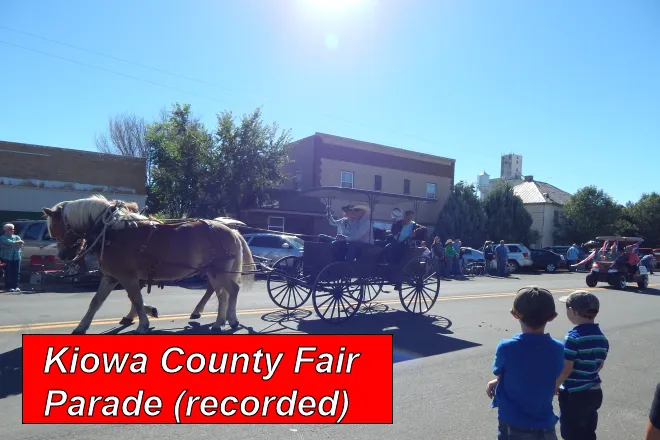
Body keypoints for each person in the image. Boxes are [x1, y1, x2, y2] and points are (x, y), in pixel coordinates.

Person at [486, 285, 564, 440]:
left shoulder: (506, 347)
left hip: (513, 424)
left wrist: (495, 382)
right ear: (553, 316)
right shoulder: (558, 349)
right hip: (545, 424)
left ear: (514, 314)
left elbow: (501, 373)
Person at [556, 291, 609, 440]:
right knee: (588, 430)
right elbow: (600, 365)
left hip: (574, 394)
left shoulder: (572, 338)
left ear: (572, 311)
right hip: (594, 392)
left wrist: (556, 385)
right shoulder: (601, 337)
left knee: (571, 432)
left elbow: (566, 369)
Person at [0, 223, 24, 292]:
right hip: (6, 257)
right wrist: (17, 243)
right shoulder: (2, 237)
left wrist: (8, 246)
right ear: (6, 230)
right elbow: (9, 242)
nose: (12, 231)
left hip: (16, 257)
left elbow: (21, 245)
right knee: (8, 272)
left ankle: (16, 286)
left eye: (13, 229)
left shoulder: (17, 237)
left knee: (16, 272)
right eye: (10, 229)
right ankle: (9, 286)